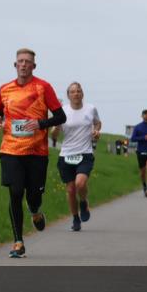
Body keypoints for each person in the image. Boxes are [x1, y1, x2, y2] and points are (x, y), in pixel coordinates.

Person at [0, 48, 66, 258]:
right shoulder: (5, 89)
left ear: (34, 66)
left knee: (34, 195)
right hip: (10, 149)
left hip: (37, 152)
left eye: (28, 62)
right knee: (15, 192)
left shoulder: (43, 87)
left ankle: (35, 211)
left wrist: (40, 123)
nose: (23, 65)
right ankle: (18, 242)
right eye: (20, 61)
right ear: (15, 65)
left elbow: (60, 117)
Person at [51, 82, 101, 231]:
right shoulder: (62, 112)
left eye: (78, 91)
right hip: (66, 154)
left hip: (84, 153)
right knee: (71, 190)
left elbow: (97, 123)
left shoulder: (91, 109)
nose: (76, 94)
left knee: (80, 184)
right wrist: (56, 128)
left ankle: (84, 201)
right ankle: (75, 218)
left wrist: (97, 131)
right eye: (72, 92)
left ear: (82, 94)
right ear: (68, 95)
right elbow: (54, 136)